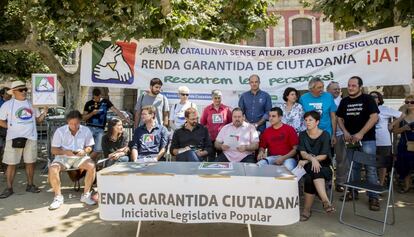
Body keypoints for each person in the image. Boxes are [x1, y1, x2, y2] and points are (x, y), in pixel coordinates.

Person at [336, 76, 380, 211]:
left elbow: (374, 117)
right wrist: (345, 132)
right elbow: (339, 118)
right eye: (349, 85)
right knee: (353, 167)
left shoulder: (368, 99)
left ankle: (373, 197)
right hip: (350, 140)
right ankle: (353, 192)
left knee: (370, 169)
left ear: (360, 87)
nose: (350, 88)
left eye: (353, 85)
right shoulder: (344, 101)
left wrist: (361, 133)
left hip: (367, 140)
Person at [0, 81, 48, 199]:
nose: (24, 92)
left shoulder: (32, 104)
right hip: (13, 138)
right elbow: (1, 121)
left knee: (30, 162)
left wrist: (45, 111)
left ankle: (30, 185)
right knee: (11, 163)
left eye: (25, 89)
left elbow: (38, 120)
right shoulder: (7, 105)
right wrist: (11, 127)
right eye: (21, 90)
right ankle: (9, 188)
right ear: (14, 92)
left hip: (31, 138)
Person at [48, 110, 96, 210]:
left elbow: (90, 147)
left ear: (80, 122)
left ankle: (86, 195)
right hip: (63, 157)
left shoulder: (86, 130)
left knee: (92, 166)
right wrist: (65, 152)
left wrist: (84, 151)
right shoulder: (60, 131)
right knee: (53, 169)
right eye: (71, 124)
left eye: (76, 124)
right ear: (67, 122)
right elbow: (53, 150)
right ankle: (58, 197)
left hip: (80, 157)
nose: (74, 126)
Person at [298, 111, 334, 221]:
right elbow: (303, 153)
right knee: (313, 170)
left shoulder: (325, 134)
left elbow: (323, 156)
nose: (307, 122)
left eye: (310, 120)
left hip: (324, 166)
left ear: (317, 122)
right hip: (308, 164)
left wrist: (310, 160)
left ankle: (306, 210)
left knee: (311, 176)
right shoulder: (303, 134)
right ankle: (325, 201)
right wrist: (312, 159)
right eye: (306, 120)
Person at [83, 88, 129, 161]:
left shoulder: (106, 102)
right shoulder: (88, 103)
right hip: (89, 127)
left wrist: (124, 118)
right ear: (93, 96)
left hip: (100, 129)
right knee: (87, 148)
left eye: (98, 97)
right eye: (95, 97)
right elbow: (83, 118)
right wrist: (92, 113)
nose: (97, 99)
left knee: (98, 149)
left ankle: (86, 162)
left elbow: (116, 110)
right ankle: (88, 164)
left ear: (101, 95)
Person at [369, 91, 402, 186]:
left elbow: (401, 115)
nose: (372, 98)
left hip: (383, 141)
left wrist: (392, 124)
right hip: (370, 141)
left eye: (374, 97)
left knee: (382, 165)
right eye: (370, 96)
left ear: (379, 99)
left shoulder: (384, 109)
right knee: (370, 165)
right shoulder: (366, 109)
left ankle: (381, 184)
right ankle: (372, 184)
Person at [299, 78, 337, 143]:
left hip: (326, 133)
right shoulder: (303, 98)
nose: (322, 89)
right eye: (319, 87)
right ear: (311, 89)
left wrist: (334, 134)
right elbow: (301, 118)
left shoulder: (329, 96)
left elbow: (333, 117)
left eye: (322, 87)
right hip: (310, 134)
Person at [326, 81, 347, 192]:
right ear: (327, 90)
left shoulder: (343, 102)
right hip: (326, 135)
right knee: (326, 160)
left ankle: (340, 182)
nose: (337, 91)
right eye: (334, 89)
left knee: (341, 160)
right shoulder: (324, 100)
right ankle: (327, 182)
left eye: (338, 89)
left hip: (339, 135)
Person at [200, 89, 232, 158]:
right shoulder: (207, 109)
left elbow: (230, 123)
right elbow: (202, 123)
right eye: (215, 98)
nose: (217, 100)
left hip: (223, 140)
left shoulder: (226, 109)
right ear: (212, 98)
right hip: (210, 139)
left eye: (219, 98)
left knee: (222, 160)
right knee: (211, 160)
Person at [392, 95, 414, 193]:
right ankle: (407, 186)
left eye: (412, 102)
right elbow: (395, 131)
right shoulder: (400, 115)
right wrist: (404, 128)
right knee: (405, 165)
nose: (409, 104)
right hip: (405, 143)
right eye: (407, 102)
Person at [0, 87, 11, 171]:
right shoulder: (1, 103)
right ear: (2, 94)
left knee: (8, 147)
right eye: (7, 93)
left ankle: (5, 165)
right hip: (1, 127)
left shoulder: (12, 103)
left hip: (9, 128)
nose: (9, 95)